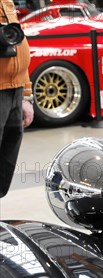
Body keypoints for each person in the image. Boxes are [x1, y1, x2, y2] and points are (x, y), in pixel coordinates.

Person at [0, 0, 34, 198]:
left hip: (15, 90)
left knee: (6, 162)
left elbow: (19, 46)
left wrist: (25, 96)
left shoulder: (7, 2)